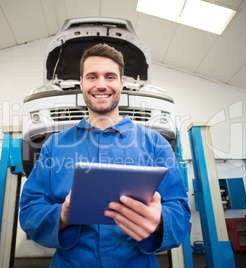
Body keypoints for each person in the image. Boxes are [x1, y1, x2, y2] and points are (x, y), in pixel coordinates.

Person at [19, 43, 190, 267]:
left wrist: (159, 221)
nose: (101, 85)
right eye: (92, 77)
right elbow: (30, 209)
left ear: (121, 83)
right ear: (81, 83)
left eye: (110, 76)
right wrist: (61, 215)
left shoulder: (155, 144)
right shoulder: (55, 146)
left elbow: (181, 213)